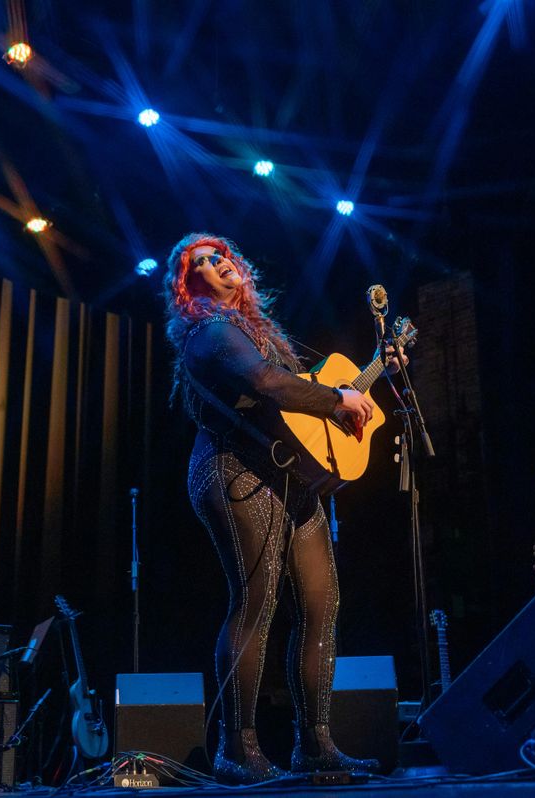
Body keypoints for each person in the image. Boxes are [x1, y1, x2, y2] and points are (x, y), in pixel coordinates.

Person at [161, 232, 402, 783]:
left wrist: (364, 383)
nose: (217, 262)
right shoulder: (211, 331)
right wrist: (339, 399)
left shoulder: (255, 330)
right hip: (233, 471)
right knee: (257, 600)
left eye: (221, 254)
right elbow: (268, 384)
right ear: (188, 286)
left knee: (322, 604)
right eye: (200, 263)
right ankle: (236, 749)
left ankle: (315, 744)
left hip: (288, 474)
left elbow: (297, 403)